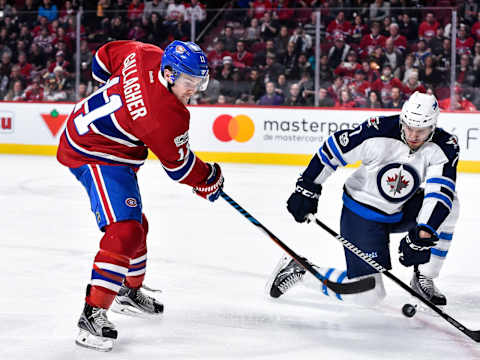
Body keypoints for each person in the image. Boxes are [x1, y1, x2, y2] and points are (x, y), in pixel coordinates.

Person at [56, 40, 224, 351]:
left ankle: (127, 292)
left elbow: (102, 59)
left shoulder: (145, 53)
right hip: (93, 152)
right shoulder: (166, 115)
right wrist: (209, 178)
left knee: (137, 226)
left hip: (104, 143)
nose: (195, 90)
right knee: (124, 232)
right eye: (190, 82)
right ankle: (92, 315)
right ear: (170, 74)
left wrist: (125, 97)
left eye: (200, 82)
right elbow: (180, 169)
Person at [267, 92, 460, 308]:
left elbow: (440, 192)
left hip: (401, 209)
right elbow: (333, 149)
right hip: (362, 214)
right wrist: (307, 187)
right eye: (409, 127)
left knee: (451, 207)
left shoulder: (445, 146)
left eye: (421, 131)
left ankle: (425, 277)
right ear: (402, 119)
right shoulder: (377, 132)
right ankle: (301, 270)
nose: (414, 135)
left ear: (433, 126)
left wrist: (423, 235)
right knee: (369, 294)